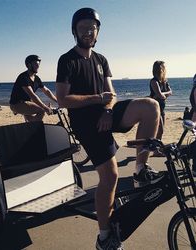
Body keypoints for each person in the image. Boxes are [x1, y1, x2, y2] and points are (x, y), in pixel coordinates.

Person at [56, 8, 163, 250]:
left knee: (151, 106)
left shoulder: (101, 59)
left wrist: (107, 109)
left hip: (105, 113)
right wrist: (97, 100)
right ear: (75, 31)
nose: (88, 31)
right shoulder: (67, 60)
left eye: (92, 28)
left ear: (98, 31)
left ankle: (139, 170)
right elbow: (62, 99)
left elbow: (111, 95)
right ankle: (104, 237)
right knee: (111, 176)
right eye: (83, 27)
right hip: (85, 123)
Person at [9, 55, 57, 122]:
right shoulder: (23, 77)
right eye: (36, 64)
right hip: (16, 104)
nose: (38, 66)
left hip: (27, 103)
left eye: (38, 64)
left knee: (30, 120)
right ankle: (34, 127)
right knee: (41, 110)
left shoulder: (36, 78)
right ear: (29, 65)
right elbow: (32, 95)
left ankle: (29, 127)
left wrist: (57, 100)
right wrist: (45, 107)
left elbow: (46, 91)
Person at [149, 61, 172, 156]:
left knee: (160, 131)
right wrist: (164, 94)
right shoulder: (154, 81)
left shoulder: (164, 81)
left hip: (162, 108)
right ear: (160, 69)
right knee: (160, 130)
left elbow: (170, 92)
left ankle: (154, 148)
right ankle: (155, 150)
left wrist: (163, 94)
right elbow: (160, 95)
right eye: (164, 67)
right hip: (154, 109)